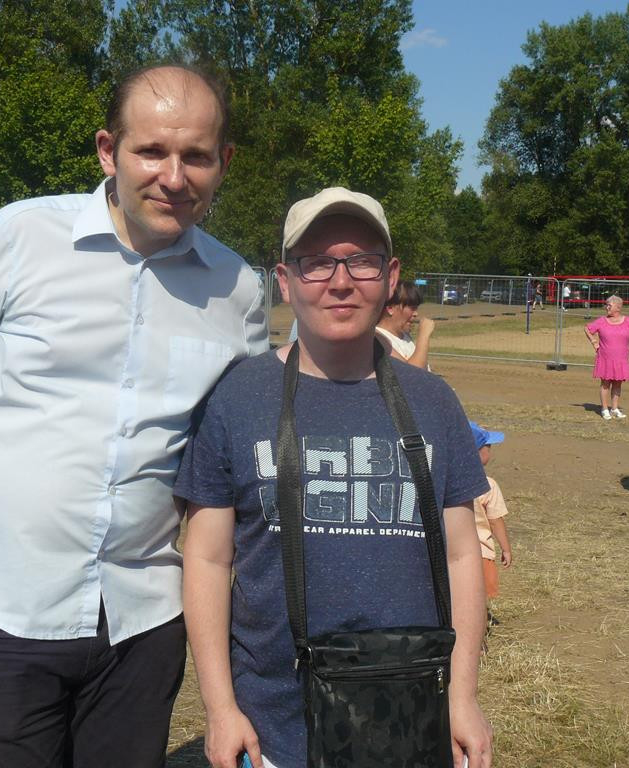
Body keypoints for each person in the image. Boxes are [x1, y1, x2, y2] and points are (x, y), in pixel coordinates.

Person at [0, 65, 268, 767]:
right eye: (151, 151)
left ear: (225, 164)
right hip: (0, 604)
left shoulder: (238, 291)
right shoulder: (20, 236)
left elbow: (244, 453)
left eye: (196, 156)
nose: (173, 177)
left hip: (145, 619)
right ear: (106, 151)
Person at [176, 187, 492, 768]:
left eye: (362, 260)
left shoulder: (435, 401)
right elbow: (207, 558)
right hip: (274, 726)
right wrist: (220, 709)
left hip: (413, 717)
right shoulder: (237, 397)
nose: (340, 281)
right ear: (286, 280)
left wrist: (463, 695)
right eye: (317, 262)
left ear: (391, 276)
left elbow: (461, 556)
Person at [469, 422, 512, 626]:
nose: (491, 451)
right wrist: (506, 548)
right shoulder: (488, 485)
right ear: (477, 452)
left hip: (450, 552)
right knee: (478, 599)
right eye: (489, 447)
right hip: (481, 553)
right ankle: (478, 639)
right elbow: (495, 521)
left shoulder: (445, 480)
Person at [584, 295, 629, 420]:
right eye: (606, 305)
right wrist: (594, 342)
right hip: (605, 358)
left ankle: (615, 408)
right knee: (605, 384)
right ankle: (605, 409)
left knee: (617, 384)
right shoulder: (601, 320)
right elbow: (587, 328)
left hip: (621, 359)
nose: (607, 307)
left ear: (618, 307)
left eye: (609, 305)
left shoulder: (628, 321)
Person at [376, 279, 435, 369]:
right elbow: (413, 374)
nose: (416, 314)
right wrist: (424, 336)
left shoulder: (404, 336)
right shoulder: (379, 339)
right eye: (412, 308)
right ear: (390, 309)